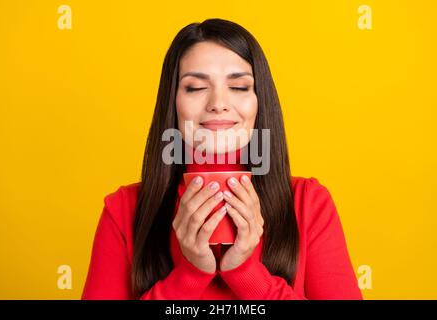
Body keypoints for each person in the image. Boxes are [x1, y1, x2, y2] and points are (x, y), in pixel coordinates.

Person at [82, 18, 362, 300]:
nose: (218, 102)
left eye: (239, 87)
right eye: (195, 87)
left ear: (259, 102)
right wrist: (189, 275)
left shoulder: (309, 204)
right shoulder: (123, 211)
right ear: (173, 103)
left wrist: (245, 273)